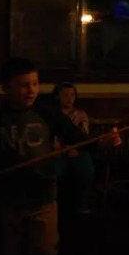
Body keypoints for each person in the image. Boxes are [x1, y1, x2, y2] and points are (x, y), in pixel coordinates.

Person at [0, 58, 120, 255]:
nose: (30, 90)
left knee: (44, 254)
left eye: (34, 83)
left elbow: (77, 138)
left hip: (43, 197)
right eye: (23, 85)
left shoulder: (47, 111)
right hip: (6, 200)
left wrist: (103, 143)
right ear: (6, 88)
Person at [52, 82, 95, 216]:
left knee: (86, 168)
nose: (69, 98)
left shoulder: (80, 114)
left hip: (77, 150)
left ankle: (82, 203)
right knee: (53, 170)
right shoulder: (52, 114)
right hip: (56, 151)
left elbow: (84, 137)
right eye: (65, 95)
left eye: (72, 94)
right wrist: (60, 149)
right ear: (57, 96)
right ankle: (52, 203)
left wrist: (76, 149)